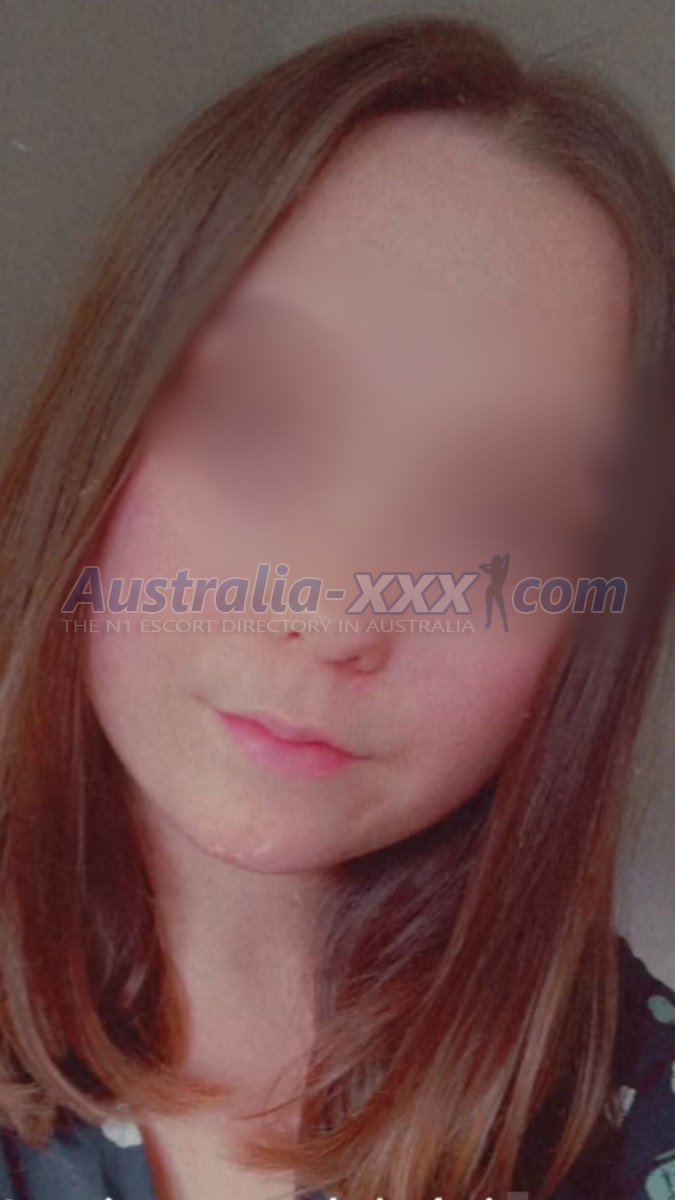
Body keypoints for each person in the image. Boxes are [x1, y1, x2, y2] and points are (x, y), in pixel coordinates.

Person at [1, 12, 675, 1200]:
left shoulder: (635, 1115)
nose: (336, 614)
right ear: (103, 430)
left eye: (500, 508)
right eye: (263, 418)